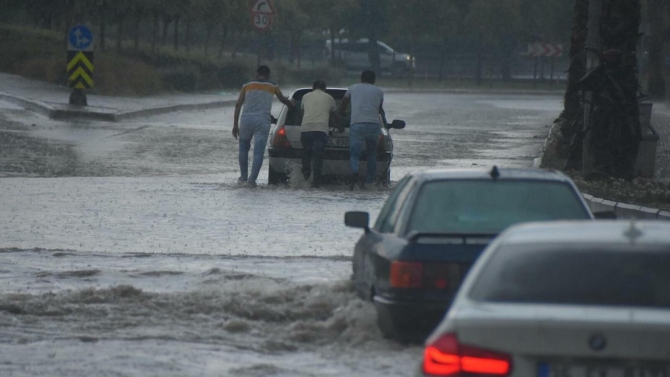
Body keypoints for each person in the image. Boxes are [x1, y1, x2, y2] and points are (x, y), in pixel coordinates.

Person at [232, 65, 294, 187]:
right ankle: (251, 181)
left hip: (246, 120)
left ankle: (243, 177)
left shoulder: (246, 85)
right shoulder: (273, 85)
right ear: (268, 75)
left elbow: (238, 105)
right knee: (258, 152)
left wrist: (235, 125)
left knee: (243, 149)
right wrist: (291, 104)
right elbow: (282, 100)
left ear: (257, 73)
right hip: (262, 121)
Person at [339, 70, 385, 190]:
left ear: (361, 78)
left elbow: (344, 102)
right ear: (374, 80)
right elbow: (379, 110)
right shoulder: (379, 92)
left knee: (355, 154)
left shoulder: (353, 88)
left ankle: (354, 172)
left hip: (357, 124)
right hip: (373, 125)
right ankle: (369, 182)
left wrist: (343, 113)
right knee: (372, 154)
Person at [300, 80, 339, 188]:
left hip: (305, 129)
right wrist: (339, 127)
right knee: (318, 156)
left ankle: (305, 177)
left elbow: (303, 113)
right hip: (320, 130)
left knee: (306, 154)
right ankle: (315, 182)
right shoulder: (329, 98)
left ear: (313, 88)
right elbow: (335, 115)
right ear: (324, 89)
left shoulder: (305, 96)